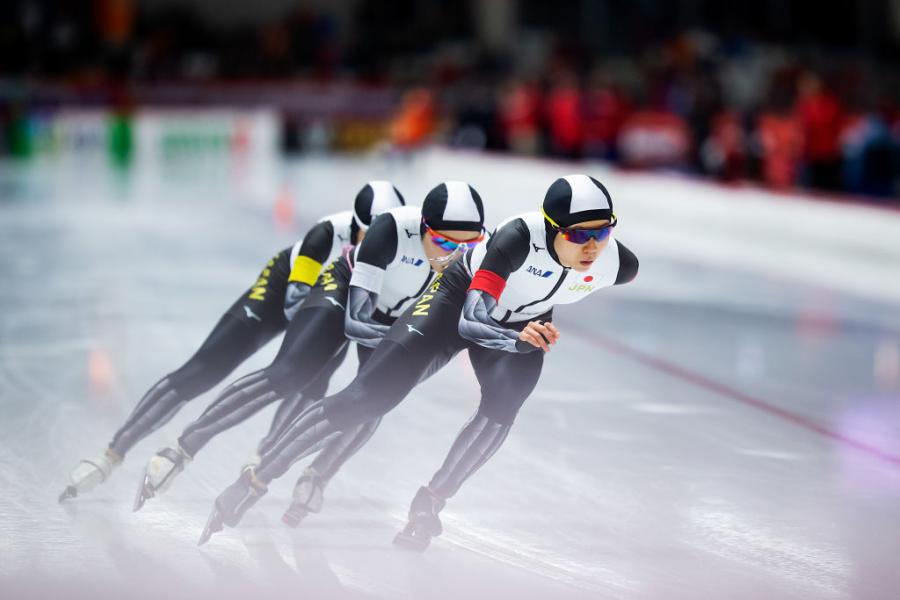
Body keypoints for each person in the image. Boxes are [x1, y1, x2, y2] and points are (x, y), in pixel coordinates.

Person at [199, 174, 639, 550]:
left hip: (524, 325)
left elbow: (595, 265)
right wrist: (516, 336)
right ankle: (256, 479)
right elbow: (471, 322)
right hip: (457, 307)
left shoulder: (618, 263)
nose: (592, 246)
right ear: (550, 228)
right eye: (579, 234)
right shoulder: (515, 240)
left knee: (503, 408)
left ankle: (431, 502)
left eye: (602, 232)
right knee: (367, 397)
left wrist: (522, 335)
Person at [133, 181, 487, 513]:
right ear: (423, 228)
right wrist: (406, 342)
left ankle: (317, 475)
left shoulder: (479, 257)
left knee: (377, 397)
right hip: (347, 296)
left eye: (467, 247)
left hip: (393, 315)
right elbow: (356, 322)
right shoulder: (390, 229)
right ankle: (185, 447)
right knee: (290, 373)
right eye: (444, 244)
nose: (455, 257)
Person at [59, 181, 406, 501]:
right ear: (356, 226)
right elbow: (293, 305)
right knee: (205, 368)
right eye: (368, 237)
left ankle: (264, 453)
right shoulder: (327, 233)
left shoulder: (397, 249)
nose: (376, 248)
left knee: (316, 379)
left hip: (339, 296)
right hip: (285, 290)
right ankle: (112, 453)